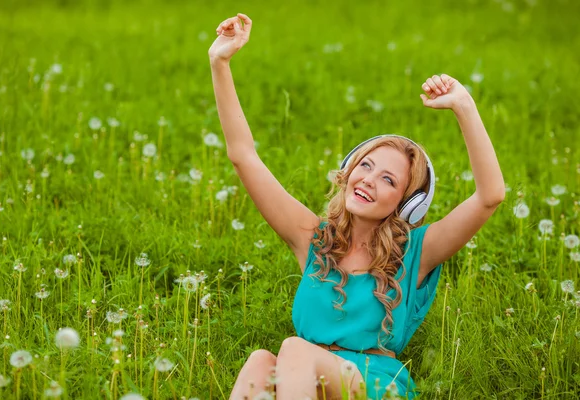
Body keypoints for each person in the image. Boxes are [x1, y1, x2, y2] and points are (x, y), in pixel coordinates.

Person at [209, 13, 505, 400]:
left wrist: (464, 106)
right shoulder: (315, 240)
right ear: (348, 171)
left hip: (374, 385)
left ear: (406, 204)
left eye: (388, 179)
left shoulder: (416, 252)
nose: (368, 178)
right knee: (261, 360)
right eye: (365, 165)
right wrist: (220, 63)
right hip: (305, 379)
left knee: (294, 349)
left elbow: (490, 196)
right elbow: (243, 156)